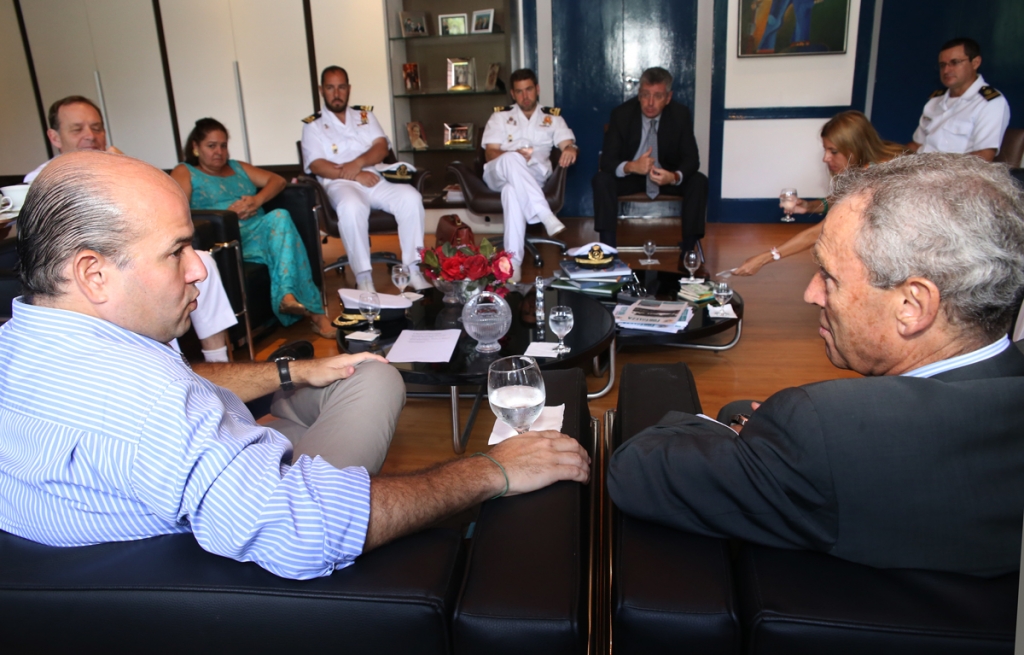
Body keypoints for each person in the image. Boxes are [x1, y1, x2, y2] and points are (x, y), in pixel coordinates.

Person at [0, 150, 591, 581]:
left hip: (220, 470)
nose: (200, 270)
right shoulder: (144, 402)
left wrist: (293, 373)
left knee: (367, 372)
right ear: (92, 273)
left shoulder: (24, 342)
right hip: (258, 536)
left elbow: (181, 397)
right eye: (177, 250)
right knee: (382, 385)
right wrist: (488, 470)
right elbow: (305, 530)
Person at [608, 153, 1024, 577]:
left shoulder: (825, 430)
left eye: (829, 277)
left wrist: (748, 437)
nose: (810, 295)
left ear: (912, 306)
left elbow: (636, 471)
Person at [26, 96, 236, 362]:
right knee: (157, 274)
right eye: (78, 129)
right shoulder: (41, 182)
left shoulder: (118, 168)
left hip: (139, 252)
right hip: (95, 273)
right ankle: (172, 367)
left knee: (203, 261)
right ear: (54, 137)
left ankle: (218, 359)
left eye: (97, 127)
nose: (91, 136)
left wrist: (124, 166)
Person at [172, 118, 335, 339]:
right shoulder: (186, 171)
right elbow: (176, 209)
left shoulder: (238, 167)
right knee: (281, 221)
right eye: (211, 146)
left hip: (260, 230)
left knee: (280, 217)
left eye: (223, 145)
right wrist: (224, 215)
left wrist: (256, 201)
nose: (219, 151)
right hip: (227, 238)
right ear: (195, 147)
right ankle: (316, 315)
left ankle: (288, 297)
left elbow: (277, 180)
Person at [301, 66, 431, 293]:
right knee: (352, 207)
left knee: (411, 197)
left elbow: (381, 148)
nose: (337, 93)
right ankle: (363, 276)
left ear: (348, 89)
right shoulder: (313, 125)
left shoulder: (365, 116)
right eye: (330, 88)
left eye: (341, 87)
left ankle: (413, 269)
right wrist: (353, 173)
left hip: (373, 177)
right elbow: (317, 165)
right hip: (340, 183)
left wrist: (358, 164)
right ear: (322, 90)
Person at [733, 110, 904, 276]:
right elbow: (842, 201)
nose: (826, 158)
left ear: (855, 147)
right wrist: (808, 206)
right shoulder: (869, 164)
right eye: (826, 150)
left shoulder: (876, 177)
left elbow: (823, 229)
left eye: (833, 151)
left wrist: (765, 258)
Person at [592, 67, 707, 269]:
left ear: (668, 98)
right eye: (645, 96)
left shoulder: (680, 115)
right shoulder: (622, 115)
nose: (650, 103)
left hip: (665, 176)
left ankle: (688, 252)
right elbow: (608, 161)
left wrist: (673, 176)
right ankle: (608, 252)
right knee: (601, 180)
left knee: (698, 181)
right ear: (639, 95)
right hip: (633, 176)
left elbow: (692, 159)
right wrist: (630, 166)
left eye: (657, 96)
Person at [481, 68, 577, 282]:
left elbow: (567, 143)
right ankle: (544, 214)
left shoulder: (552, 118)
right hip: (498, 171)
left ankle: (513, 264)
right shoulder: (500, 116)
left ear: (537, 89)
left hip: (532, 176)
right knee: (512, 159)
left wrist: (571, 149)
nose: (525, 96)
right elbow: (490, 152)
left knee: (511, 191)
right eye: (519, 92)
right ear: (513, 94)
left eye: (529, 90)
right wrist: (513, 155)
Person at [907, 38, 1010, 162]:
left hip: (953, 177)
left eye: (955, 62)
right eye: (942, 65)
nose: (946, 70)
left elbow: (983, 157)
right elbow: (917, 145)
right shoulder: (935, 101)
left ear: (975, 62)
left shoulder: (990, 103)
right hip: (918, 172)